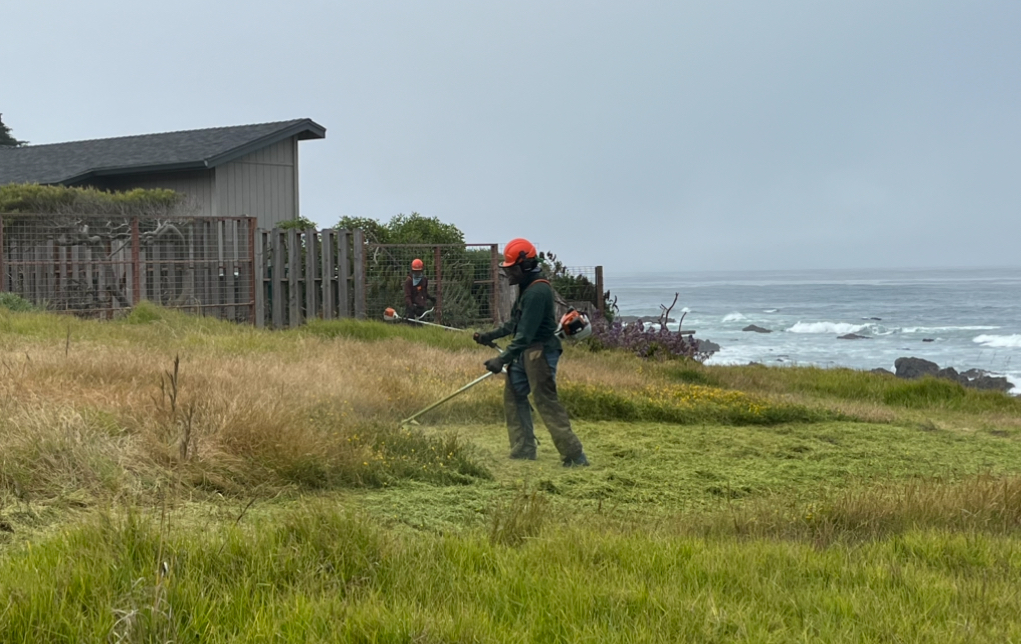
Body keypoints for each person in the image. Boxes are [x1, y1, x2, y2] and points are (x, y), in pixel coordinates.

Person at [474, 238, 589, 466]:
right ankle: (523, 448)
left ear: (525, 266)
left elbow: (525, 335)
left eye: (511, 269)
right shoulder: (527, 288)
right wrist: (490, 336)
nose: (508, 274)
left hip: (541, 352)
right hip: (526, 351)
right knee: (514, 395)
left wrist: (501, 359)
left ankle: (575, 455)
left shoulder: (537, 292)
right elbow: (514, 325)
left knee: (545, 400)